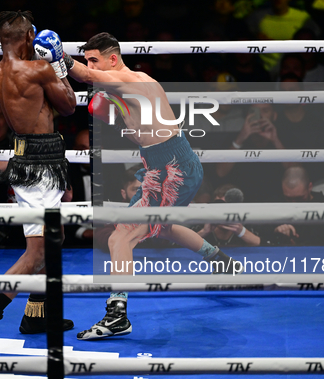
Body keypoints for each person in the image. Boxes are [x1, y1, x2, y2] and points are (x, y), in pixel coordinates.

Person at [64, 32, 241, 340]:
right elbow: (123, 121)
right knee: (163, 226)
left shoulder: (128, 81)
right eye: (88, 59)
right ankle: (221, 261)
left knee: (121, 236)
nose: (91, 66)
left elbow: (84, 74)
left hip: (172, 169)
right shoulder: (123, 85)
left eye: (95, 59)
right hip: (165, 165)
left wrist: (58, 57)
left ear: (113, 59)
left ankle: (117, 313)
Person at [0, 11, 77, 357]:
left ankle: (36, 314)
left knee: (56, 240)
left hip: (31, 159)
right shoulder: (37, 69)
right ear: (28, 38)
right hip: (40, 166)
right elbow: (68, 105)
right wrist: (55, 63)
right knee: (37, 252)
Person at [270, 166, 324, 245]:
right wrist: (277, 231)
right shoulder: (277, 203)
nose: (294, 204)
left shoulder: (322, 205)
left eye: (299, 198)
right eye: (289, 199)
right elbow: (261, 229)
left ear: (309, 187)